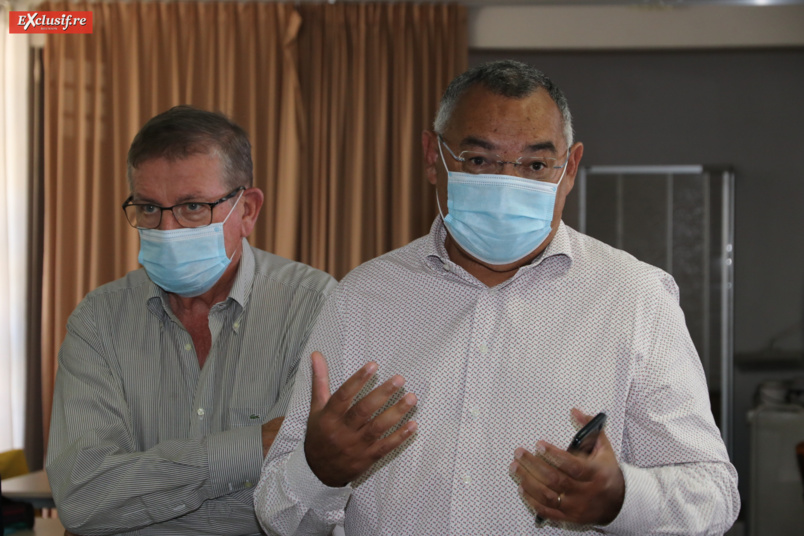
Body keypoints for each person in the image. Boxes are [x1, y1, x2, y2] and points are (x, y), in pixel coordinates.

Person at [254, 61, 740, 535]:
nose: (508, 186)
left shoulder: (634, 298)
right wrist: (319, 473)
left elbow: (714, 496)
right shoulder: (362, 298)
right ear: (433, 157)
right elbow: (279, 516)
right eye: (480, 160)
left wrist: (622, 499)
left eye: (534, 163)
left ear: (569, 168)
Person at [46, 106, 336, 535]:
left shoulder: (315, 306)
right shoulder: (98, 320)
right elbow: (83, 498)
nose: (167, 229)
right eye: (148, 208)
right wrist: (252, 447)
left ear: (248, 210)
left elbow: (305, 499)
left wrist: (140, 494)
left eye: (193, 207)